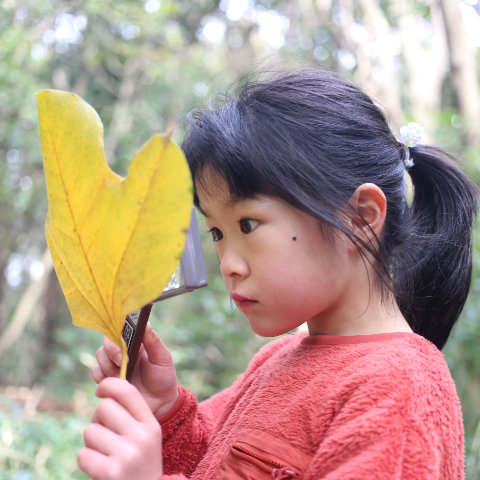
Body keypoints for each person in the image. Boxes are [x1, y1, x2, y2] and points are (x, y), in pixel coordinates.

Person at [77, 68, 478, 479]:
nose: (228, 263)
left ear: (361, 218)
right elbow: (210, 465)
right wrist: (163, 411)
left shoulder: (399, 388)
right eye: (217, 231)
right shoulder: (276, 359)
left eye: (248, 224)